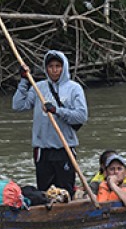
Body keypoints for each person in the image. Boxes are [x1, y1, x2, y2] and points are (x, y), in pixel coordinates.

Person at [12, 50, 88, 196]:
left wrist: (57, 111)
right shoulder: (38, 87)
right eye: (51, 66)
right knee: (44, 191)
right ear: (46, 68)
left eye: (58, 66)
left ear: (64, 67)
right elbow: (18, 105)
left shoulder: (74, 88)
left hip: (64, 148)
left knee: (65, 189)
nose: (54, 70)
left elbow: (81, 116)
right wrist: (24, 81)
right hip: (42, 149)